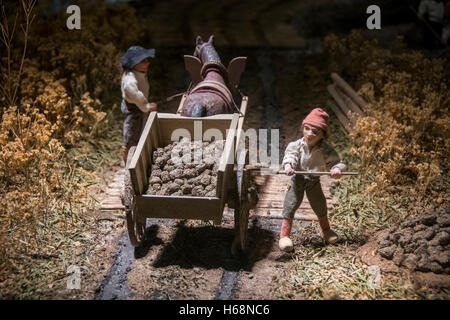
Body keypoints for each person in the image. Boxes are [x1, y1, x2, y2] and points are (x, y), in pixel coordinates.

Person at [279, 108, 346, 252]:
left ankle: (326, 230)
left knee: (320, 205)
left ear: (322, 134)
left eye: (315, 131)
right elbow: (290, 155)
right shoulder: (296, 145)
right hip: (298, 179)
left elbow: (337, 162)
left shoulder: (325, 149)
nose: (309, 134)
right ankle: (284, 236)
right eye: (307, 129)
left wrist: (336, 169)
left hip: (313, 181)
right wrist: (288, 165)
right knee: (290, 204)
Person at [120, 46, 158, 165]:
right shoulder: (130, 80)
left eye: (147, 60)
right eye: (143, 61)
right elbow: (135, 94)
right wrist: (146, 106)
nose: (147, 63)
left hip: (138, 105)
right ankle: (128, 157)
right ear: (133, 64)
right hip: (133, 107)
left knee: (140, 127)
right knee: (132, 130)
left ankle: (136, 151)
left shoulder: (139, 72)